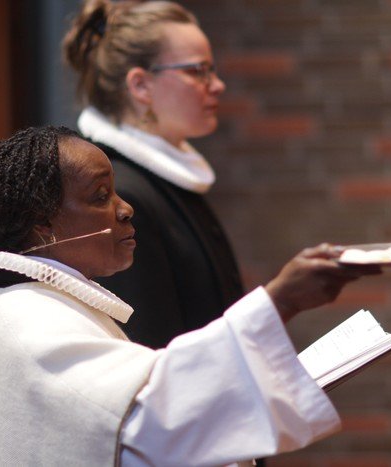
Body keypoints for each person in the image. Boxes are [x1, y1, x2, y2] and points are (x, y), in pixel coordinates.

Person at [0, 126, 379, 466]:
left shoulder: (30, 303)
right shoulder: (30, 320)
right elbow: (158, 421)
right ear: (43, 225)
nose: (124, 207)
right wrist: (281, 301)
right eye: (99, 196)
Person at [62, 0, 244, 349]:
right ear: (141, 85)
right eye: (198, 71)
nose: (217, 85)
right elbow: (148, 347)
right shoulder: (118, 194)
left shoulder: (167, 180)